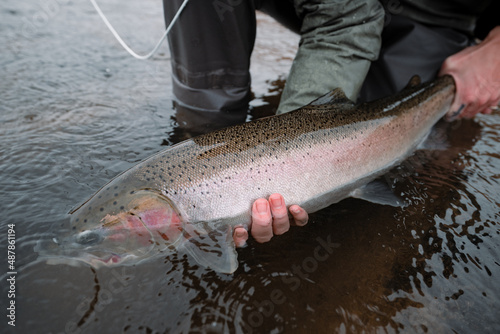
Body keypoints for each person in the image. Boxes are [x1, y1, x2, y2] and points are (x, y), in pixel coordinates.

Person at [162, 0, 500, 247]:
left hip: (433, 12)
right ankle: (204, 131)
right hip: (328, 5)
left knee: (392, 146)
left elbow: (349, 23)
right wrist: (288, 149)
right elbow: (343, 15)